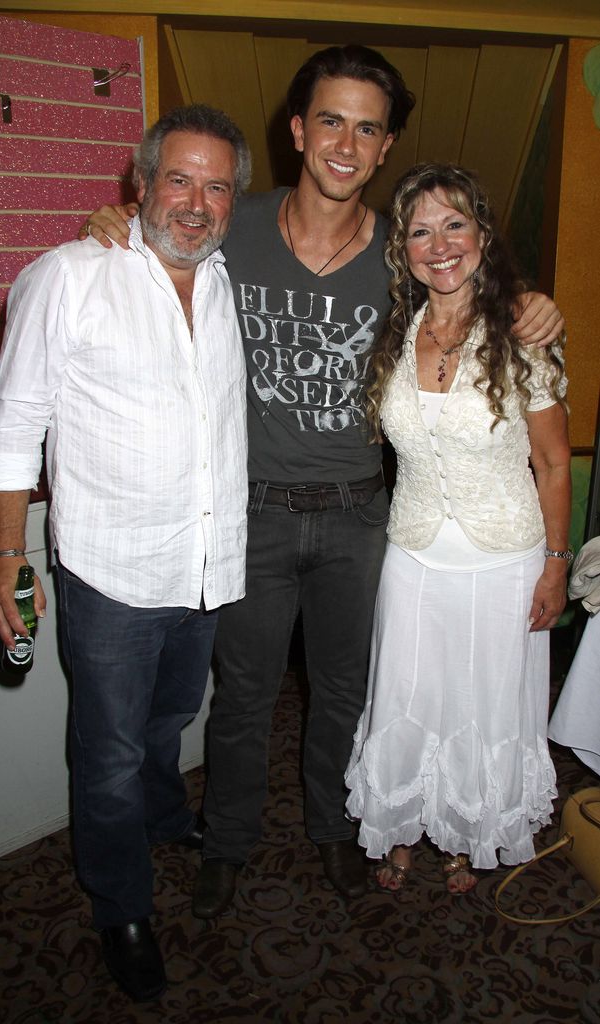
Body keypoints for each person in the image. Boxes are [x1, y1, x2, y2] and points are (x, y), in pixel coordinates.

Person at [81, 45, 566, 916]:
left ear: (384, 150)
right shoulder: (235, 223)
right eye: (331, 120)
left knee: (345, 695)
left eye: (367, 128)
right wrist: (111, 223)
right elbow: (165, 237)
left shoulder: (402, 252)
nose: (346, 142)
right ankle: (225, 846)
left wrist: (533, 302)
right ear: (298, 130)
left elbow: (469, 288)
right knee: (243, 702)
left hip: (358, 520)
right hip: (255, 515)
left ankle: (334, 831)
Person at [0, 105, 250, 1002]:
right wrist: (6, 559)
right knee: (111, 752)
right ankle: (119, 907)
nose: (196, 204)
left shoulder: (224, 282)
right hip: (113, 577)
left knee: (170, 721)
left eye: (216, 186)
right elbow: (12, 428)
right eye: (179, 179)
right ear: (140, 184)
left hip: (206, 566)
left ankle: (165, 818)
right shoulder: (65, 276)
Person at [345, 163, 571, 895]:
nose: (438, 244)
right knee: (409, 696)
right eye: (418, 230)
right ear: (401, 249)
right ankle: (406, 820)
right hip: (411, 554)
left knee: (482, 702)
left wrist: (555, 564)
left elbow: (552, 460)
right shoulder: (393, 332)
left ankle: (469, 831)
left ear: (480, 235)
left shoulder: (522, 330)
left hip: (503, 558)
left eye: (453, 225)